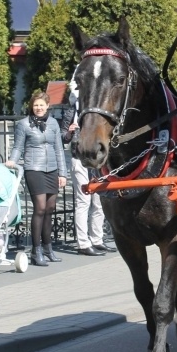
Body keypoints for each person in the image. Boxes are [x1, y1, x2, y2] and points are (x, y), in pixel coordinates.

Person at [6, 91, 68, 266]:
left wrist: (62, 173)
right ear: (31, 107)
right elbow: (18, 147)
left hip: (52, 169)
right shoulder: (23, 125)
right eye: (36, 105)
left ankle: (48, 248)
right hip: (34, 169)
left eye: (41, 105)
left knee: (50, 209)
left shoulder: (54, 123)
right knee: (40, 208)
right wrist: (12, 160)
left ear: (47, 106)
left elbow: (59, 149)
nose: (39, 108)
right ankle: (36, 250)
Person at [61, 93, 116, 257]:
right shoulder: (72, 111)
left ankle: (97, 239)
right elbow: (63, 136)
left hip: (98, 162)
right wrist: (70, 132)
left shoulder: (97, 109)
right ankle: (83, 243)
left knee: (99, 201)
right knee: (83, 201)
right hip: (79, 159)